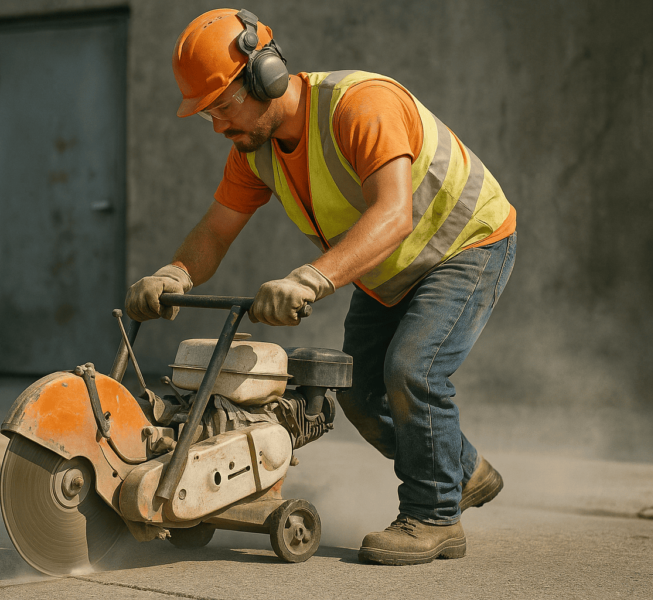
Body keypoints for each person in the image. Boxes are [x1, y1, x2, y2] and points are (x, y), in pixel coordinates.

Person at [126, 8, 517, 566]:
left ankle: (434, 517)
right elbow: (215, 230)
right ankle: (461, 468)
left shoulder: (359, 105)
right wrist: (175, 274)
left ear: (266, 75)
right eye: (206, 113)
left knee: (413, 370)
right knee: (356, 391)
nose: (217, 125)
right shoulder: (254, 151)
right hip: (388, 270)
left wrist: (310, 278)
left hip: (466, 242)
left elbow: (393, 215)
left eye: (222, 106)